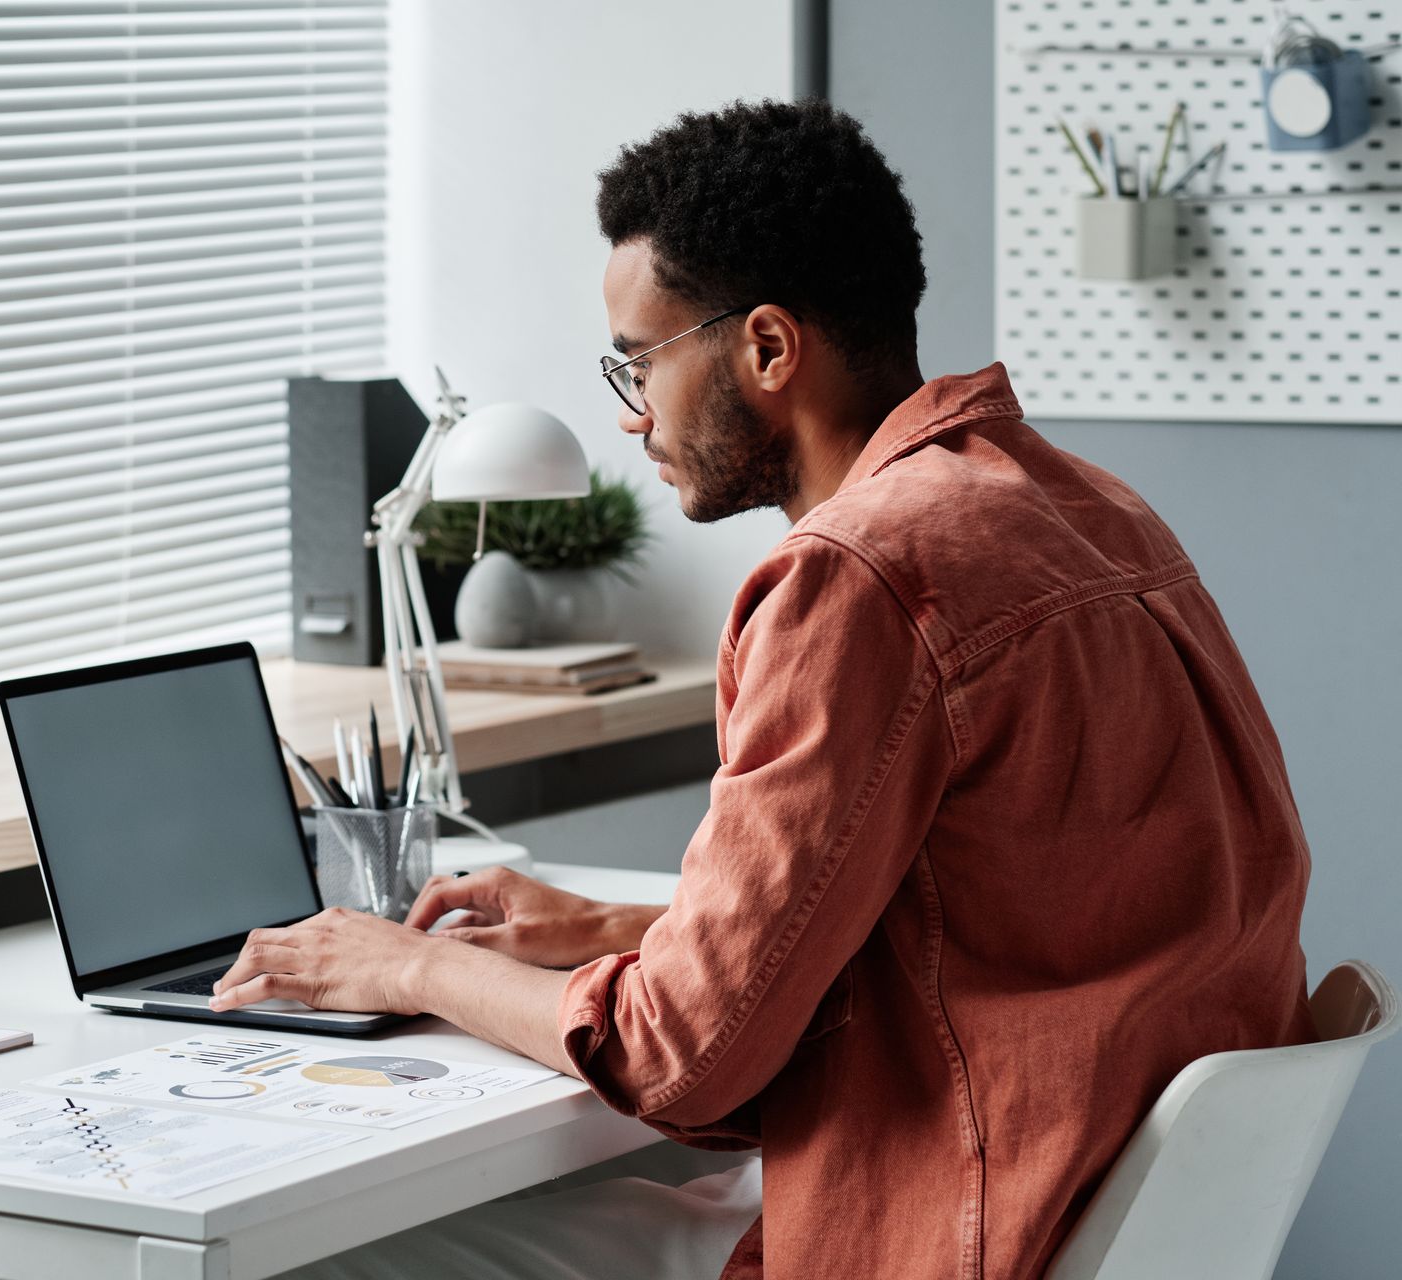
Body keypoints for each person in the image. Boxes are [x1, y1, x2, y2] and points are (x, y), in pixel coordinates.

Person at [213, 98, 1316, 1279]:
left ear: (769, 350)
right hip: (1069, 1192)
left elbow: (679, 1055)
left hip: (956, 1219)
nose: (632, 414)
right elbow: (994, 923)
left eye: (640, 362)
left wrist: (407, 964)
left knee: (343, 1256)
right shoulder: (1088, 509)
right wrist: (605, 929)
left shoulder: (861, 579)